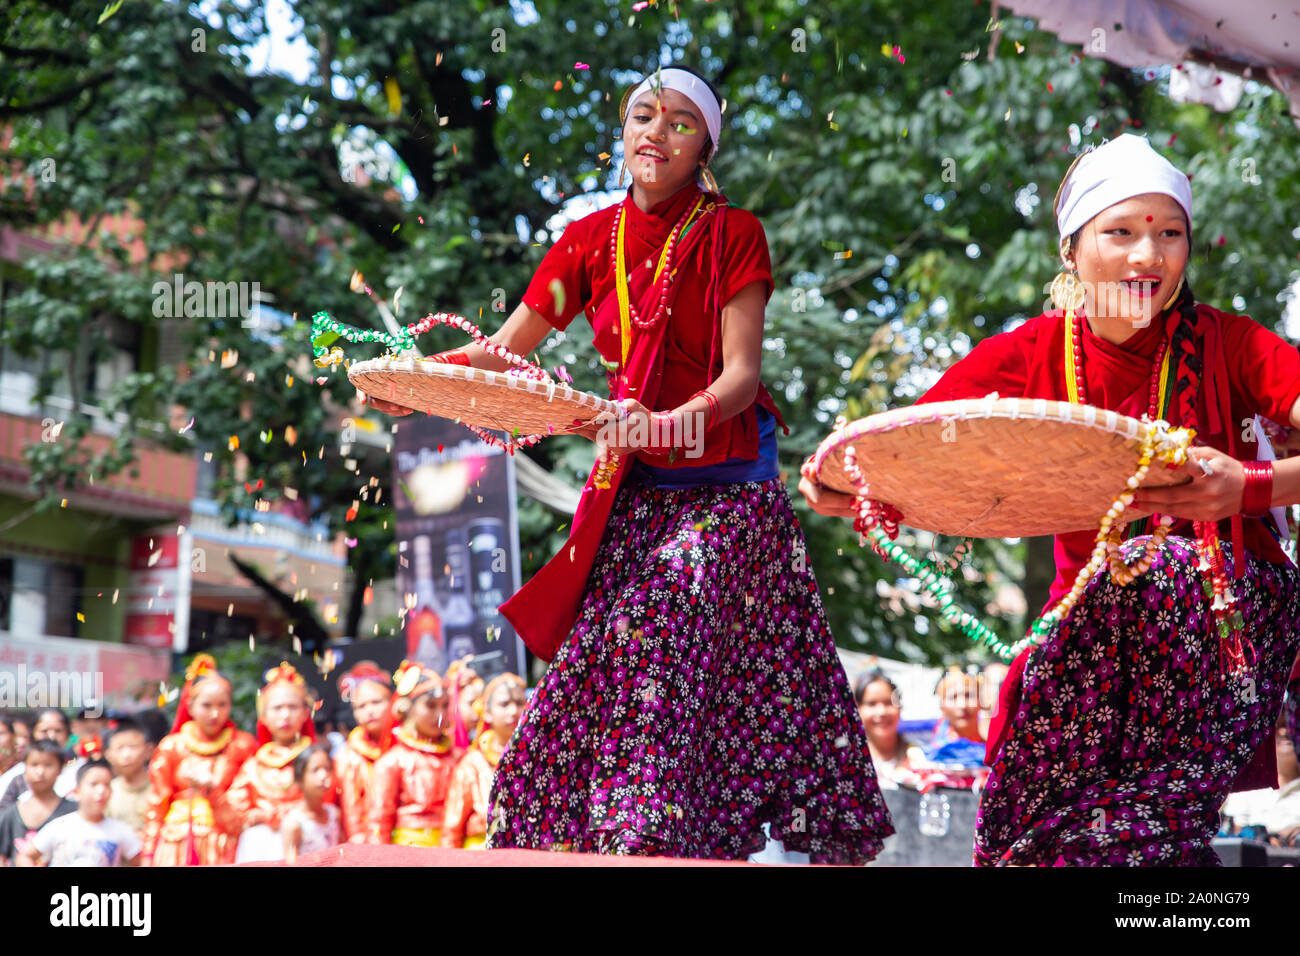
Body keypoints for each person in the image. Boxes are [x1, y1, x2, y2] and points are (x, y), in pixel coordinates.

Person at [367, 64, 891, 863]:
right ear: (624, 130)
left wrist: (668, 425)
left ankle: (650, 829)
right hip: (637, 489)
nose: (657, 131)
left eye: (680, 122)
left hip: (728, 489)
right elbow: (508, 355)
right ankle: (636, 836)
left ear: (703, 148)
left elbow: (740, 379)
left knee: (670, 626)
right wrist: (421, 383)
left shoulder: (733, 232)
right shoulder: (586, 240)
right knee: (589, 672)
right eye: (644, 114)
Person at [801, 133, 1300, 866]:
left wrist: (1250, 489)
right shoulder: (1030, 353)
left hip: (1221, 612)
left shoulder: (1232, 344)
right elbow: (907, 449)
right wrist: (853, 486)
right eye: (1121, 232)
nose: (1148, 256)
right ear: (1071, 250)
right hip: (1086, 625)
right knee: (1024, 835)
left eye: (1170, 234)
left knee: (1133, 827)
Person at [143, 654, 257, 866]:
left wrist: (211, 790)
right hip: (174, 845)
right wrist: (148, 855)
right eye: (207, 705)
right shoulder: (171, 746)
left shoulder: (242, 745)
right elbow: (156, 806)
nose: (215, 713)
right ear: (190, 706)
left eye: (222, 705)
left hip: (223, 844)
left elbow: (240, 812)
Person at [227, 662, 316, 863]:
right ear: (264, 717)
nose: (285, 715)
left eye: (292, 707)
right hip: (259, 848)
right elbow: (234, 809)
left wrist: (268, 815)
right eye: (277, 708)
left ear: (304, 713)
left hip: (307, 845)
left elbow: (325, 801)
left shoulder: (316, 760)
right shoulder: (253, 766)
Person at [367, 664, 461, 846]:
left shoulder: (460, 759)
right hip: (408, 855)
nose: (440, 714)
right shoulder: (393, 762)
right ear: (408, 708)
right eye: (431, 706)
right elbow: (378, 824)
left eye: (445, 706)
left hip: (456, 853)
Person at [442, 673, 526, 848]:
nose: (513, 711)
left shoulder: (537, 760)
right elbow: (452, 829)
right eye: (504, 704)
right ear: (486, 713)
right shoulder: (472, 764)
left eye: (519, 703)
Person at [17, 758, 141, 867]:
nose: (101, 791)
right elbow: (24, 856)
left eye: (107, 785)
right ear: (77, 791)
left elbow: (141, 861)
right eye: (93, 784)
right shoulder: (61, 825)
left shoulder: (120, 830)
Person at [333, 661, 393, 843]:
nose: (370, 711)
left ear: (392, 703)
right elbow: (350, 809)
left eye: (376, 702)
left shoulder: (405, 745)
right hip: (364, 840)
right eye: (361, 707)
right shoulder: (347, 755)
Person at [0, 740, 76, 866]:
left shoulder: (72, 812)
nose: (40, 772)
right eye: (34, 765)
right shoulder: (11, 813)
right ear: (25, 768)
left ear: (60, 768)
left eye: (48, 765)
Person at [853, 669, 918, 788]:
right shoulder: (848, 760)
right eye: (871, 704)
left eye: (889, 702)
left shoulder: (919, 757)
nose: (881, 712)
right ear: (858, 709)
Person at [282, 744, 342, 863]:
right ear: (299, 779)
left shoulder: (334, 814)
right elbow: (290, 863)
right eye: (315, 770)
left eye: (327, 768)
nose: (324, 775)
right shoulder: (294, 824)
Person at [104, 718, 151, 839]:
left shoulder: (160, 787)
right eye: (119, 748)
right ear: (109, 755)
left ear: (147, 750)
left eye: (133, 747)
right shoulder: (107, 791)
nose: (126, 755)